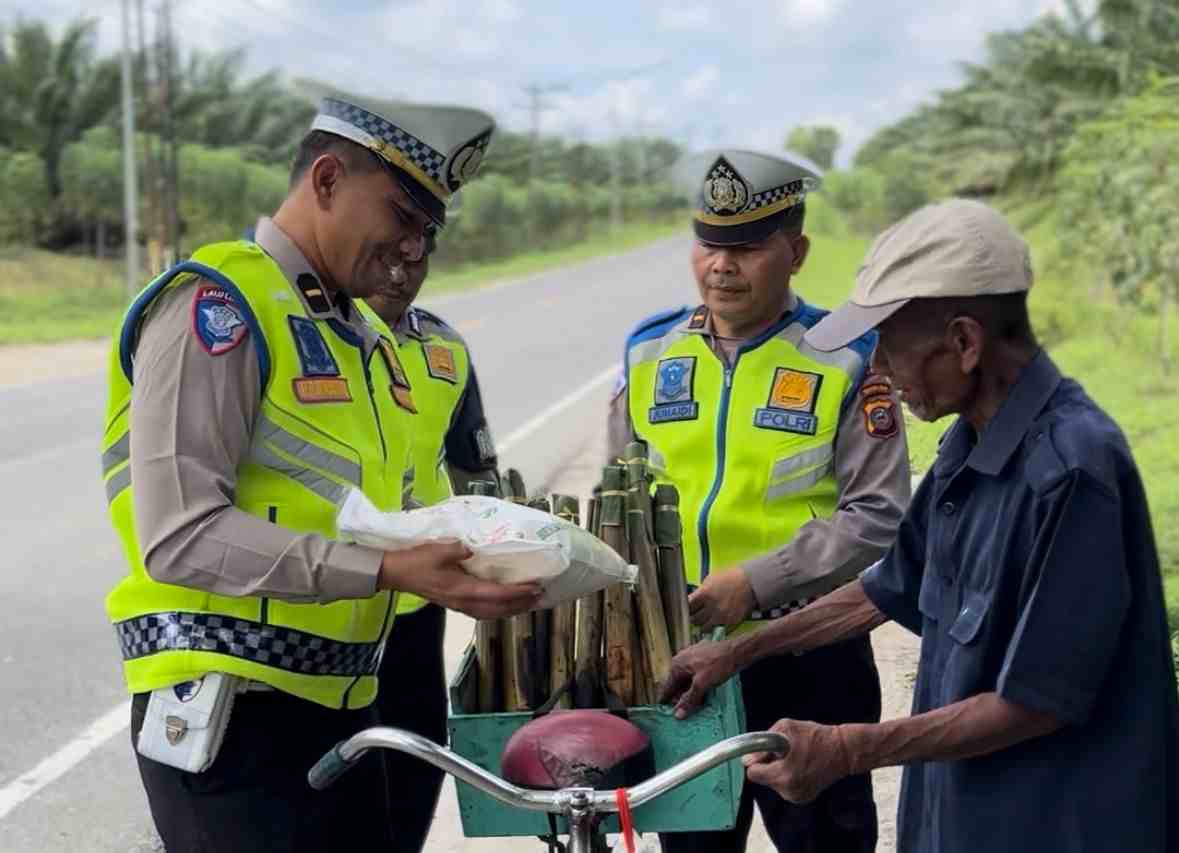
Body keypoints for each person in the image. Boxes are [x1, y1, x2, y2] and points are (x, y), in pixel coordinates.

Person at [659, 198, 1179, 853]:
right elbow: (883, 588)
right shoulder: (968, 445)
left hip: (1054, 824)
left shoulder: (1070, 468)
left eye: (886, 347)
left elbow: (1039, 699)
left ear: (963, 342)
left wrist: (847, 746)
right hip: (958, 818)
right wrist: (735, 651)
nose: (875, 372)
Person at [99, 97, 538, 853]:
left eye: (428, 230)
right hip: (233, 713)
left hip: (341, 709)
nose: (412, 247)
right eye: (402, 215)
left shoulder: (354, 334)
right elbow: (180, 535)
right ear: (328, 179)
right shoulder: (219, 303)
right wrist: (387, 568)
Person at [607, 149, 911, 852]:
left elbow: (878, 515)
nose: (721, 266)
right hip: (681, 656)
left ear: (795, 251)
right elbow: (617, 496)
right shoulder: (648, 351)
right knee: (693, 840)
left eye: (745, 248)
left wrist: (756, 582)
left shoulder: (846, 354)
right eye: (709, 245)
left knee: (824, 839)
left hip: (809, 650)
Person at [363, 223, 500, 851]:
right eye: (386, 255)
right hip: (332, 603)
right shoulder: (310, 340)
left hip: (417, 613)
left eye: (414, 259)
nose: (399, 273)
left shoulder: (445, 350)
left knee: (417, 763)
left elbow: (477, 473)